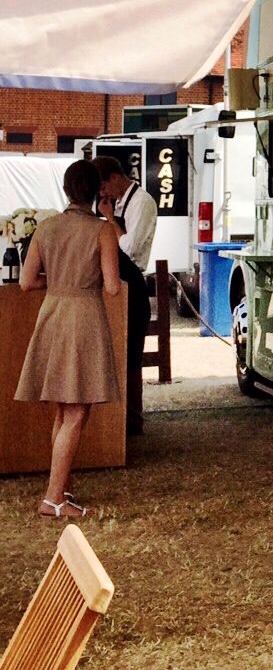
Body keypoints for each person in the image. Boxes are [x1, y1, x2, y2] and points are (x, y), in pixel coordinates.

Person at [15, 159, 122, 519]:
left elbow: (26, 282)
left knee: (62, 411)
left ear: (65, 189)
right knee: (76, 412)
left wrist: (58, 282)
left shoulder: (45, 228)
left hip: (52, 313)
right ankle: (53, 499)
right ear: (96, 191)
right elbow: (111, 287)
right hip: (84, 317)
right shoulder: (102, 231)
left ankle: (60, 488)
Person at [91, 155, 156, 435]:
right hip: (113, 280)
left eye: (104, 186)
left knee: (131, 355)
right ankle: (113, 417)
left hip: (132, 282)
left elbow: (128, 248)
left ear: (116, 177)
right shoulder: (113, 202)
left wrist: (108, 221)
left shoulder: (142, 202)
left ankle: (133, 418)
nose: (102, 193)